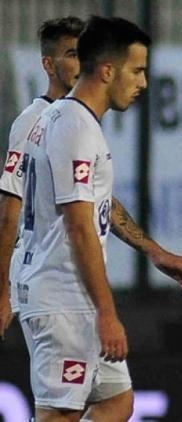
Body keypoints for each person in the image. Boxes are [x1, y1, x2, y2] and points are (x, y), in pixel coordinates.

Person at [16, 16, 182, 422]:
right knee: (59, 415)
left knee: (117, 401)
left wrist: (155, 251)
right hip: (63, 298)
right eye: (137, 71)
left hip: (70, 295)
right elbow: (79, 226)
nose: (143, 83)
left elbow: (98, 204)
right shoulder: (75, 128)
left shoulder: (67, 119)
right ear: (107, 70)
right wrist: (107, 313)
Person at [0, 16, 84, 339]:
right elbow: (10, 208)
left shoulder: (79, 120)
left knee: (117, 392)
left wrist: (153, 251)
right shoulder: (32, 122)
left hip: (78, 286)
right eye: (73, 54)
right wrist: (3, 290)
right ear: (49, 64)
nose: (82, 63)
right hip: (46, 288)